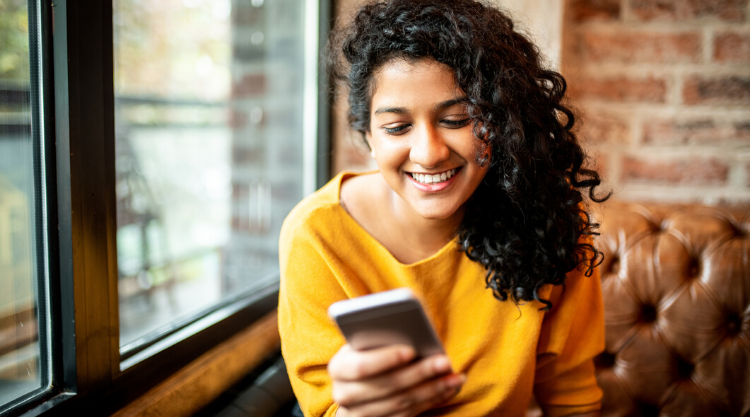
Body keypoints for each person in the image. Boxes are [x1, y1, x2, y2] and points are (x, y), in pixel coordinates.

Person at [278, 0, 609, 415]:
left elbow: (572, 398)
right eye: (397, 127)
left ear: (502, 120)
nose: (429, 154)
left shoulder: (548, 218)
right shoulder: (317, 235)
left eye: (457, 119)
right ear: (369, 136)